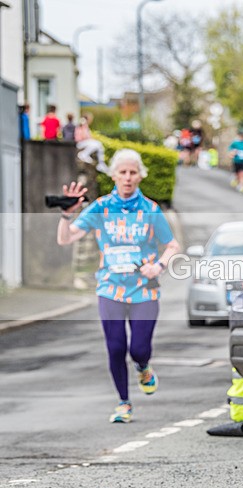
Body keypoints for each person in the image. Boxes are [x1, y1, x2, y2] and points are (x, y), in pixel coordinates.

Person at [56, 149, 180, 423]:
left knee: (138, 348)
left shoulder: (150, 209)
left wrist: (158, 266)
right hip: (110, 289)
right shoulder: (100, 207)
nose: (127, 178)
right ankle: (124, 403)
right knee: (114, 348)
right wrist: (66, 216)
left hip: (144, 290)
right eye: (122, 172)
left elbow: (172, 245)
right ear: (113, 175)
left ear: (140, 176)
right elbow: (66, 239)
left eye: (132, 172)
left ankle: (143, 366)